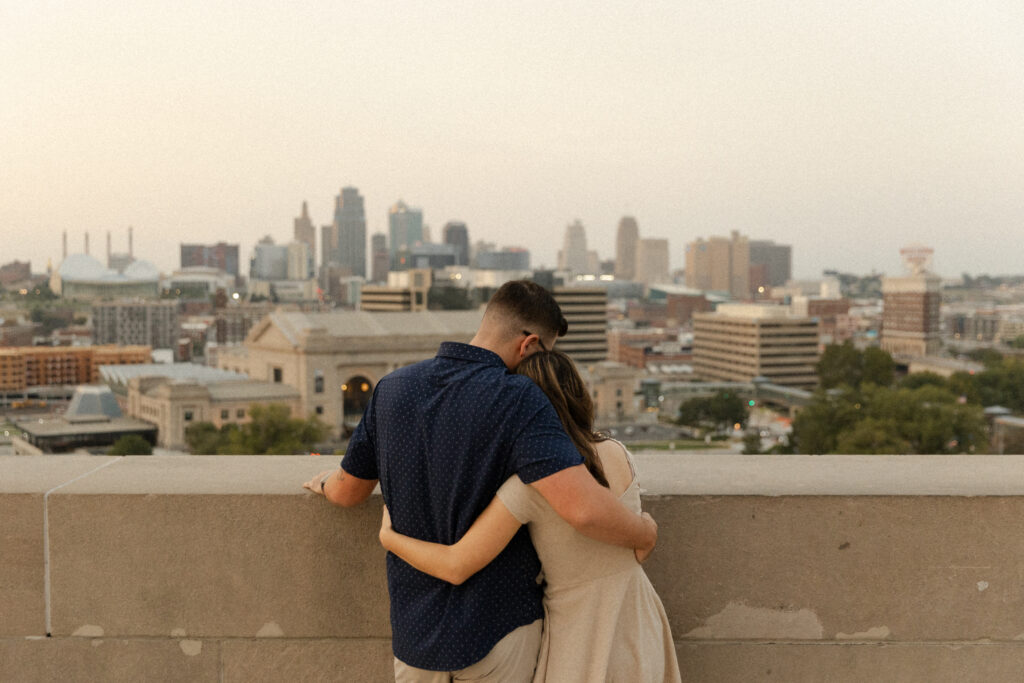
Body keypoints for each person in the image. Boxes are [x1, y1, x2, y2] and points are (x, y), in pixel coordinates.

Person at [303, 280, 657, 682]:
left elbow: (348, 492)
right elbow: (582, 508)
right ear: (529, 345)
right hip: (500, 627)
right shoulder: (520, 398)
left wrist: (326, 482)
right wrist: (644, 534)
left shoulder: (392, 389)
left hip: (417, 632)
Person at [379, 349, 681, 683]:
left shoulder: (528, 485)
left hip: (578, 631)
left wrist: (390, 538)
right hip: (639, 618)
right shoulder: (618, 453)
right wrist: (646, 531)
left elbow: (456, 564)